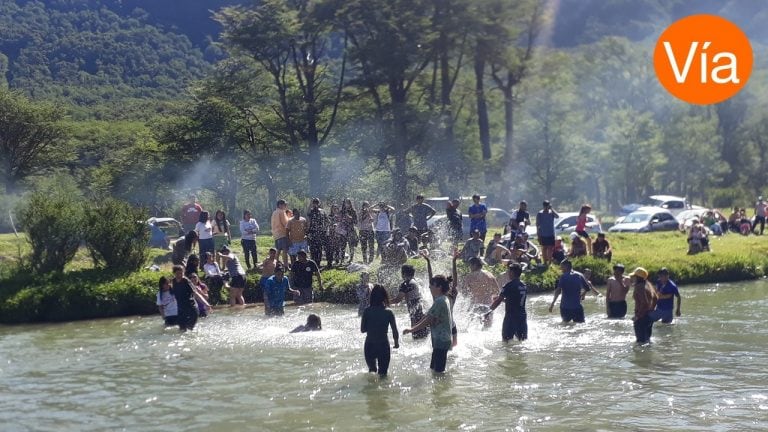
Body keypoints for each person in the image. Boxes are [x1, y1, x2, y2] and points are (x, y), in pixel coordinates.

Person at [403, 273, 454, 373]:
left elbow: (428, 319)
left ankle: (441, 388)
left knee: (438, 372)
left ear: (439, 287)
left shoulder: (440, 301)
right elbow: (428, 316)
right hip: (441, 340)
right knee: (433, 369)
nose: (429, 287)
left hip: (441, 340)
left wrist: (412, 329)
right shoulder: (443, 299)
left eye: (432, 285)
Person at [422, 249, 459, 347]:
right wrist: (454, 261)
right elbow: (455, 281)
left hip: (440, 326)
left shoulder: (437, 295)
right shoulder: (452, 294)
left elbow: (430, 277)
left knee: (439, 350)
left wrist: (428, 261)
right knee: (453, 350)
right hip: (452, 325)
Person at [361, 285, 400, 377]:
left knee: (372, 372)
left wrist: (372, 326)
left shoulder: (367, 311)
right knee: (383, 374)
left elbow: (362, 330)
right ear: (385, 296)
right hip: (383, 345)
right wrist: (396, 343)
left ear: (372, 297)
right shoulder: (389, 312)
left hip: (369, 345)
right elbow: (395, 331)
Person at [485, 263, 527, 342]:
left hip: (511, 317)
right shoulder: (523, 285)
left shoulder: (508, 285)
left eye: (509, 271)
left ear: (512, 272)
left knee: (506, 341)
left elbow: (498, 301)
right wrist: (503, 300)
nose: (508, 273)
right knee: (522, 341)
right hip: (522, 317)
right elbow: (515, 300)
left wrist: (488, 312)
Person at [391, 264, 429, 340]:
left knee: (417, 339)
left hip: (416, 316)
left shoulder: (406, 284)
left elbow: (397, 300)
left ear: (404, 273)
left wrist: (382, 302)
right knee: (424, 339)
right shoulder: (415, 281)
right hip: (422, 314)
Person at [171, 264, 210, 331]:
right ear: (174, 273)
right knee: (182, 330)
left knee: (189, 329)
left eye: (181, 273)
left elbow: (196, 293)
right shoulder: (173, 281)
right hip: (181, 309)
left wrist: (206, 304)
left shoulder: (186, 281)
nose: (180, 275)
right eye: (178, 273)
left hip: (191, 308)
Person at [460, 257, 499, 322]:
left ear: (474, 265)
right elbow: (497, 290)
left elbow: (464, 292)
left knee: (472, 328)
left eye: (470, 265)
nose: (470, 268)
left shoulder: (469, 277)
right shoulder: (489, 274)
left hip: (475, 305)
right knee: (487, 329)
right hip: (488, 305)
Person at [631, 267, 658, 345]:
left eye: (634, 276)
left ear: (638, 277)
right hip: (649, 317)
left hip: (641, 317)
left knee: (640, 343)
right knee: (647, 341)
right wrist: (651, 310)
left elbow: (644, 303)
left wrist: (638, 316)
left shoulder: (639, 287)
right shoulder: (648, 284)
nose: (632, 278)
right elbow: (656, 298)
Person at [307, 198, 330, 266]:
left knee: (319, 249)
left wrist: (325, 229)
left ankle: (318, 264)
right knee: (312, 249)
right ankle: (313, 263)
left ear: (319, 203)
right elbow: (308, 216)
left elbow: (327, 221)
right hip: (312, 233)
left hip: (321, 233)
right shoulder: (311, 211)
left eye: (316, 203)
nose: (315, 204)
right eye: (314, 203)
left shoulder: (322, 211)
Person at [536, 200, 559, 265]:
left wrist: (552, 208)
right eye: (545, 206)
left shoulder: (551, 212)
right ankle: (545, 262)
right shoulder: (540, 213)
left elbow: (557, 216)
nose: (546, 207)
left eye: (547, 206)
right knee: (544, 248)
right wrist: (538, 234)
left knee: (550, 248)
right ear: (543, 206)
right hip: (543, 234)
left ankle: (549, 262)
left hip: (551, 233)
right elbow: (537, 224)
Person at [271, 199, 291, 266]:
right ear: (280, 205)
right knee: (285, 251)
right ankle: (286, 265)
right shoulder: (282, 212)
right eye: (284, 205)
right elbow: (285, 223)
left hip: (276, 234)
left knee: (278, 250)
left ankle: (275, 264)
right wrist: (290, 218)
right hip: (282, 233)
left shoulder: (274, 212)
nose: (285, 206)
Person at [341, 198, 359, 264]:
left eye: (348, 203)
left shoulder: (353, 211)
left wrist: (350, 218)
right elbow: (339, 220)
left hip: (351, 230)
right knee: (342, 245)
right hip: (343, 230)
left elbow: (356, 222)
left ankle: (351, 259)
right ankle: (342, 260)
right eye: (345, 203)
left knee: (351, 245)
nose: (346, 204)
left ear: (350, 203)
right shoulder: (342, 211)